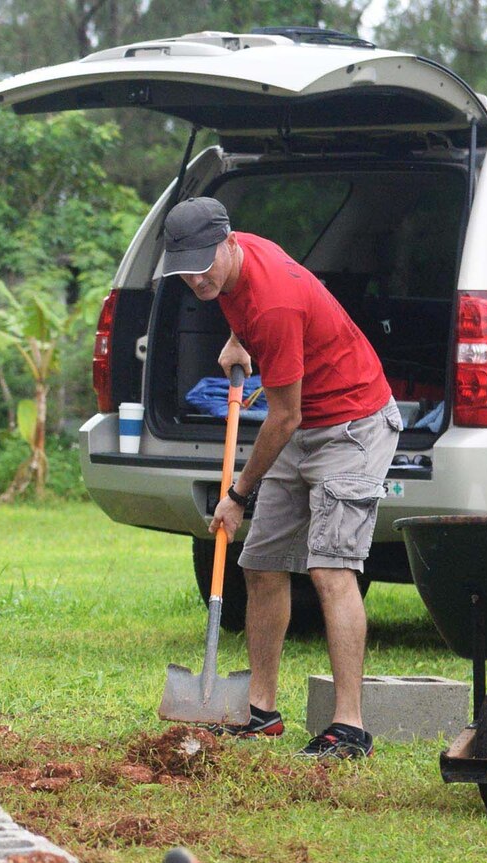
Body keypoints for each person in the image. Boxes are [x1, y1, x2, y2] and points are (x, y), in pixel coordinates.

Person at [162, 197, 401, 759]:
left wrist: (237, 495)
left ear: (228, 243)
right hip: (302, 418)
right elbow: (243, 309)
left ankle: (350, 727)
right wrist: (237, 338)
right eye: (184, 267)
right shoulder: (233, 267)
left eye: (203, 263)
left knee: (330, 569)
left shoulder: (273, 304)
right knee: (262, 565)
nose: (196, 278)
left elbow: (283, 415)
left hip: (351, 423)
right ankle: (260, 711)